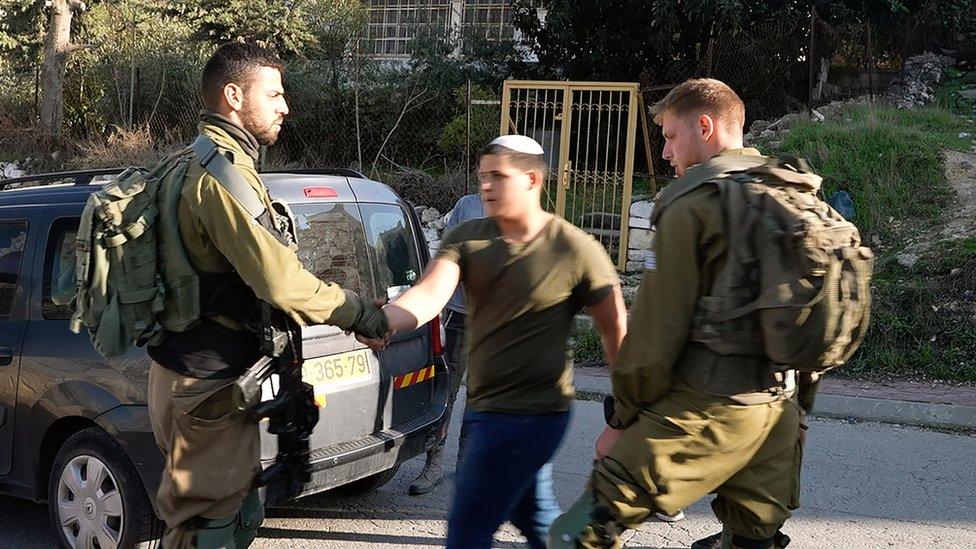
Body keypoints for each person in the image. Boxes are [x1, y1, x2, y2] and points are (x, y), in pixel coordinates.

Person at [550, 79, 810, 549]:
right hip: (780, 415)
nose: (666, 152)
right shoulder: (793, 193)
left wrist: (620, 422)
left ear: (705, 126)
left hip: (705, 411)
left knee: (575, 536)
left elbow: (652, 337)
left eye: (670, 136)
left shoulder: (695, 204)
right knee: (748, 542)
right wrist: (796, 414)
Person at [146, 42, 387, 549]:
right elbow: (280, 282)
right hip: (206, 385)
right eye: (274, 94)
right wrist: (362, 314)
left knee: (231, 510)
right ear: (234, 96)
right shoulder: (224, 175)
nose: (285, 106)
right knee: (208, 529)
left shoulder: (187, 162)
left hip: (187, 377)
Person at [360, 135, 628, 549]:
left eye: (498, 177)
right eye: (483, 176)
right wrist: (385, 321)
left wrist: (623, 414)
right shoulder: (467, 239)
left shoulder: (575, 248)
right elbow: (430, 295)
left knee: (469, 526)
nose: (486, 187)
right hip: (487, 407)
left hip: (535, 414)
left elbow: (615, 332)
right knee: (533, 516)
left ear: (532, 179)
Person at [409, 192, 484, 495]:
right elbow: (447, 256)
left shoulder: (521, 211)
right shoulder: (466, 205)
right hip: (459, 315)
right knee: (446, 394)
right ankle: (434, 464)